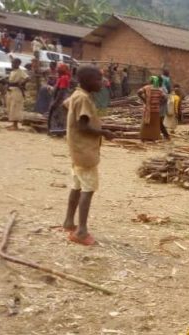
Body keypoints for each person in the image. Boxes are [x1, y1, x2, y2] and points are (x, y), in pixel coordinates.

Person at [62, 65, 116, 246]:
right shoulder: (84, 99)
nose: (102, 83)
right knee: (88, 189)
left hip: (76, 149)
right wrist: (103, 132)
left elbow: (65, 105)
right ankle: (81, 231)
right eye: (98, 80)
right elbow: (83, 126)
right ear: (87, 81)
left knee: (76, 186)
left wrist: (71, 126)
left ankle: (69, 222)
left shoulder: (76, 95)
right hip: (85, 152)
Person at [138, 76, 168, 141]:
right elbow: (165, 97)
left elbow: (139, 92)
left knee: (146, 123)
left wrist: (144, 100)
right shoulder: (159, 89)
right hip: (156, 110)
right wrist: (159, 102)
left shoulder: (146, 87)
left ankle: (144, 138)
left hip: (147, 109)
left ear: (150, 81)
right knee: (154, 125)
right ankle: (153, 138)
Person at [48, 63, 72, 136]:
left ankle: (58, 131)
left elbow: (61, 91)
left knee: (58, 115)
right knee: (59, 115)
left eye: (59, 69)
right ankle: (58, 131)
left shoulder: (63, 78)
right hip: (60, 98)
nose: (57, 70)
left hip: (60, 99)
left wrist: (56, 102)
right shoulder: (63, 77)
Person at [6, 58, 28, 131]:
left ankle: (15, 125)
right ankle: (13, 124)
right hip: (10, 90)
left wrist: (22, 83)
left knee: (15, 107)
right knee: (10, 106)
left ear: (18, 64)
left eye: (14, 63)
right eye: (12, 63)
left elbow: (27, 78)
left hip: (17, 91)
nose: (12, 64)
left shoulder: (20, 72)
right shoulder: (12, 72)